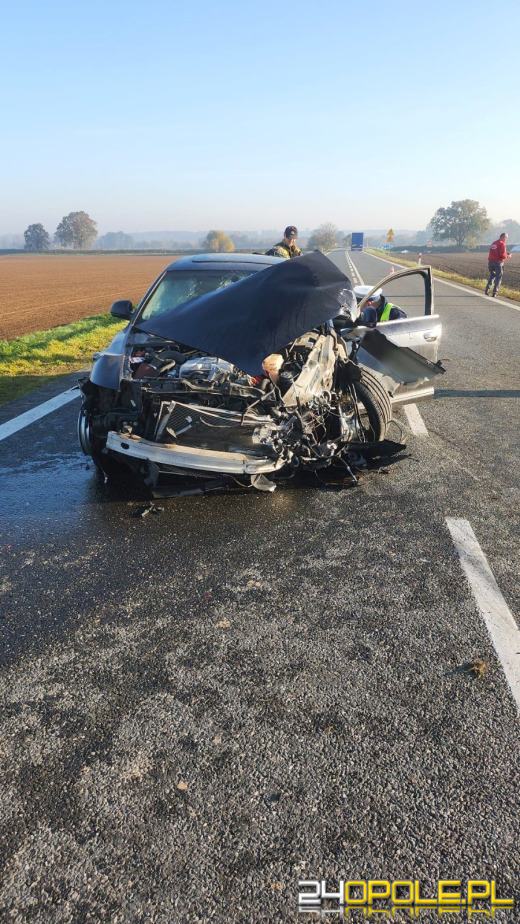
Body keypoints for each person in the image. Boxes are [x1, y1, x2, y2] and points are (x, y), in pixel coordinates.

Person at [485, 232, 510, 297]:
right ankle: (495, 293)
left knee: (492, 275)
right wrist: (508, 256)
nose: (506, 239)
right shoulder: (502, 244)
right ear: (503, 237)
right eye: (506, 238)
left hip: (490, 262)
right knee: (498, 277)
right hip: (498, 263)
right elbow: (503, 256)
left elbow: (494, 252)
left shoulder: (494, 243)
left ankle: (487, 289)